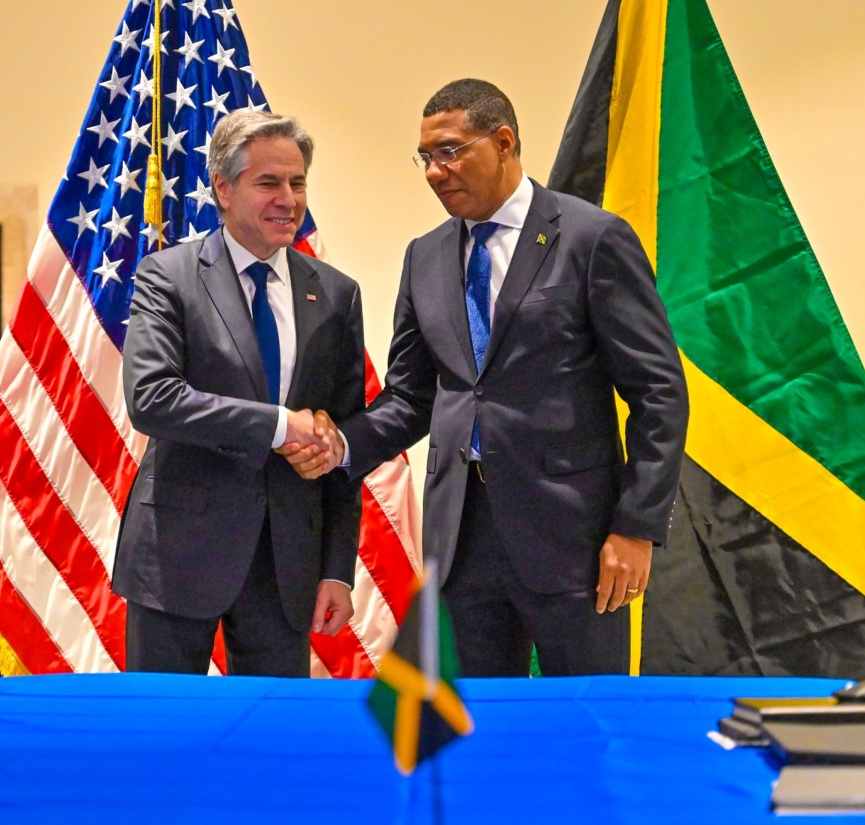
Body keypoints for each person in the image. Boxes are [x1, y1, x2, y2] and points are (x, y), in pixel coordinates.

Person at [282, 79, 688, 677]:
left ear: (503, 142)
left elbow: (659, 392)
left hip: (573, 539)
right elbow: (413, 395)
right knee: (471, 732)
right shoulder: (425, 255)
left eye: (450, 151)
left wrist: (637, 528)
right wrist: (342, 443)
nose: (434, 172)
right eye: (425, 157)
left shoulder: (592, 238)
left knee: (578, 729)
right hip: (460, 541)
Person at [113, 109, 362, 676]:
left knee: (273, 747)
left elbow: (344, 444)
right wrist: (280, 426)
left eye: (297, 183)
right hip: (178, 555)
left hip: (286, 567)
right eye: (269, 183)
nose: (289, 199)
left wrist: (336, 568)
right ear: (223, 189)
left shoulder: (337, 294)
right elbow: (151, 397)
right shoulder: (168, 276)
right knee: (166, 736)